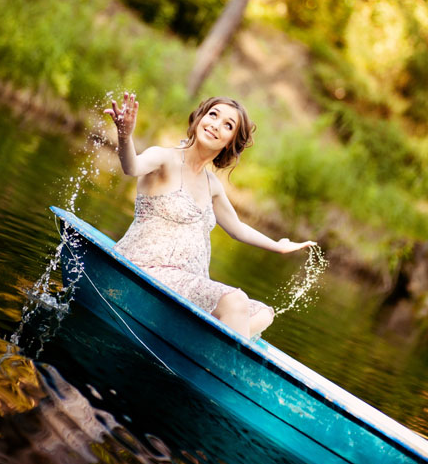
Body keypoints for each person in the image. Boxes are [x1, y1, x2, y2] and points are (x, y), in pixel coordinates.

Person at [105, 93, 315, 339]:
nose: (216, 125)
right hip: (147, 269)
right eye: (213, 115)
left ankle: (204, 341)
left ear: (230, 142)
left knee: (262, 314)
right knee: (236, 301)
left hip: (188, 283)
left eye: (228, 125)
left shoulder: (212, 185)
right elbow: (131, 167)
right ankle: (223, 349)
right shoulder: (164, 158)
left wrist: (278, 246)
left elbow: (237, 228)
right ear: (199, 118)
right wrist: (125, 136)